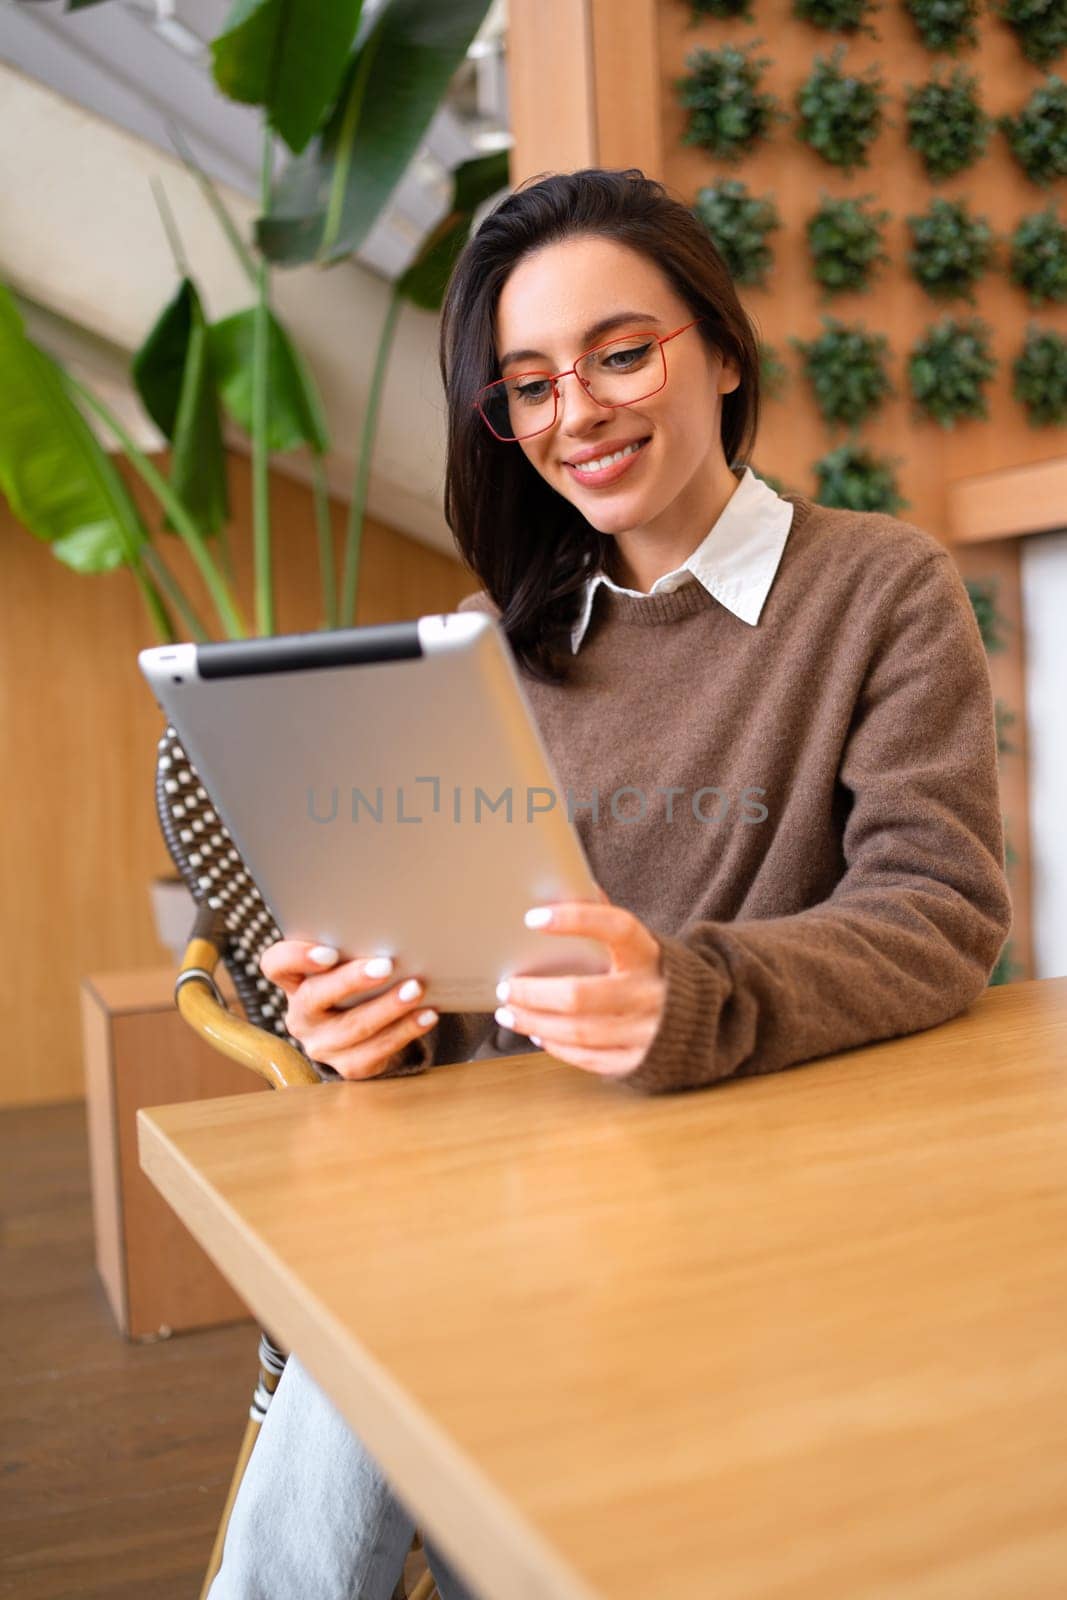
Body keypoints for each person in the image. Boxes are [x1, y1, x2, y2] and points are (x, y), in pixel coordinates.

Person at [207, 167, 1013, 1599]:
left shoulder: (878, 590)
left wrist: (694, 997)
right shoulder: (487, 642)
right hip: (517, 1197)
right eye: (527, 385)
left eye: (620, 353)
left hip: (772, 1172)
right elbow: (463, 989)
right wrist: (369, 1027)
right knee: (388, 1303)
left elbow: (940, 911)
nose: (576, 413)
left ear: (721, 350)